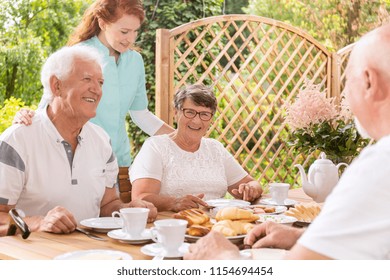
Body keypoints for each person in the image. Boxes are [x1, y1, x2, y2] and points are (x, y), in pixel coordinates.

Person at [184, 23, 390, 260]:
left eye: (347, 81)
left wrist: (221, 257)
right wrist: (302, 238)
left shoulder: (380, 165)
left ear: (368, 82)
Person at [0, 45, 157, 234]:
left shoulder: (101, 140)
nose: (97, 90)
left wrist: (128, 209)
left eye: (100, 82)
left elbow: (107, 204)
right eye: (87, 79)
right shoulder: (17, 140)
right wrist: (38, 223)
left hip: (90, 252)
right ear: (56, 86)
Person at [14, 0, 174, 169]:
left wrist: (181, 138)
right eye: (124, 31)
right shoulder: (77, 55)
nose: (131, 39)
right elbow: (50, 106)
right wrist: (26, 117)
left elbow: (140, 114)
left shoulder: (135, 61)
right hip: (78, 159)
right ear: (103, 23)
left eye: (135, 31)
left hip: (119, 160)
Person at [129, 84, 263, 212]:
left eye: (204, 114)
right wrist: (174, 203)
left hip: (217, 225)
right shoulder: (156, 147)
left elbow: (252, 183)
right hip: (174, 226)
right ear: (176, 112)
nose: (196, 121)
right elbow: (141, 197)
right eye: (190, 112)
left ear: (211, 118)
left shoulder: (215, 148)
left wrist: (250, 189)